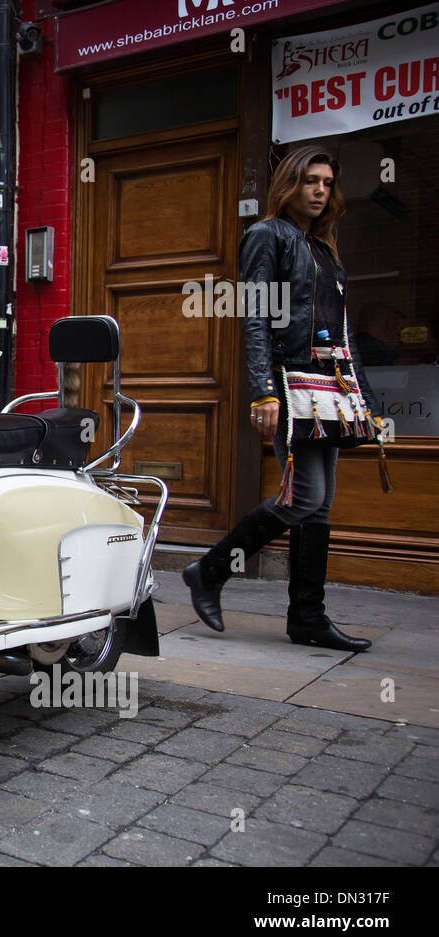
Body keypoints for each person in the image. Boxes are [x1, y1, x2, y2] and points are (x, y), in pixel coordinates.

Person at [182, 145, 381, 653]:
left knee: (319, 506)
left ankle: (308, 618)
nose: (319, 190)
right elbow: (254, 319)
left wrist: (365, 399)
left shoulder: (325, 249)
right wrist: (263, 391)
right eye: (310, 180)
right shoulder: (267, 235)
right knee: (304, 497)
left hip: (330, 389)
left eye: (328, 183)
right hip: (290, 384)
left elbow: (343, 330)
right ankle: (209, 570)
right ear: (290, 184)